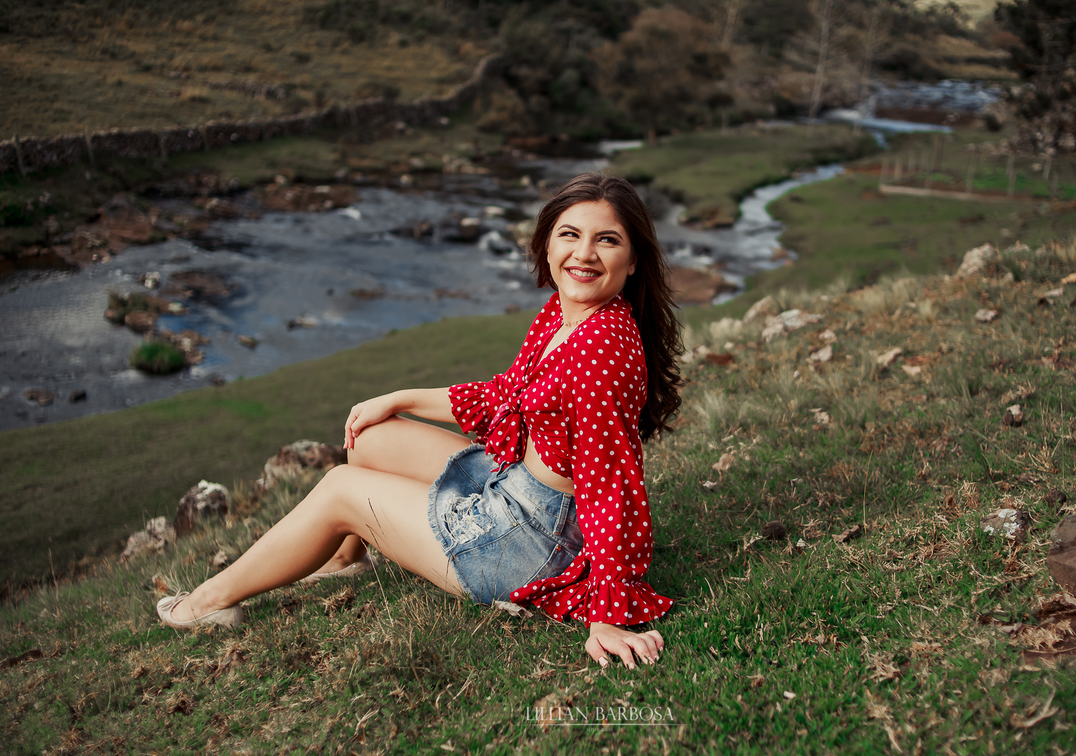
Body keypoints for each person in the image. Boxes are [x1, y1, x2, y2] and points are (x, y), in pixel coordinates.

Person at [156, 172, 684, 669]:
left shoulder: (600, 350)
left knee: (340, 487)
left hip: (529, 541)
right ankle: (343, 559)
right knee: (369, 436)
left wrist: (607, 615)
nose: (584, 253)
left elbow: (610, 483)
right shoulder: (565, 315)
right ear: (547, 244)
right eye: (570, 234)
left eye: (607, 240)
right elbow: (503, 394)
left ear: (633, 260)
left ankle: (209, 602)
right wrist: (398, 398)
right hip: (511, 483)